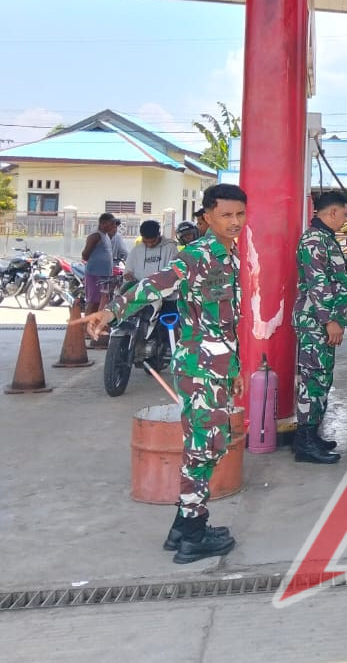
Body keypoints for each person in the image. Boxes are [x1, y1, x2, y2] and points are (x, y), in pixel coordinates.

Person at [78, 184, 247, 564]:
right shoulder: (197, 255)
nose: (234, 222)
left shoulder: (230, 255)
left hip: (218, 365)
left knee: (209, 445)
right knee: (204, 448)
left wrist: (235, 368)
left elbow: (225, 322)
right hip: (199, 368)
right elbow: (155, 284)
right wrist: (111, 311)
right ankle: (193, 535)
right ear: (207, 217)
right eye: (226, 215)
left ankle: (184, 526)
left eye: (239, 214)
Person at [292, 191, 347, 464]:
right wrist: (330, 321)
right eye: (344, 214)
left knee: (322, 378)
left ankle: (311, 434)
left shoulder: (326, 238)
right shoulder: (314, 240)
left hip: (322, 323)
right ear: (332, 212)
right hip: (315, 322)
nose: (345, 219)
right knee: (313, 380)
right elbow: (319, 284)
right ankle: (304, 443)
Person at [81, 213, 119, 316]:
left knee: (101, 303)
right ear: (103, 223)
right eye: (112, 223)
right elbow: (85, 255)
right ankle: (87, 324)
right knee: (93, 302)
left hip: (104, 276)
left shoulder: (106, 235)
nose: (114, 226)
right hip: (95, 275)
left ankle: (93, 324)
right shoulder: (95, 236)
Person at [123, 220, 178, 286]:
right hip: (140, 289)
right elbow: (127, 273)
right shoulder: (136, 251)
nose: (149, 245)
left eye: (153, 241)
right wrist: (128, 276)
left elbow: (177, 270)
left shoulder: (170, 248)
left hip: (164, 289)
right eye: (145, 242)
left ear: (159, 234)